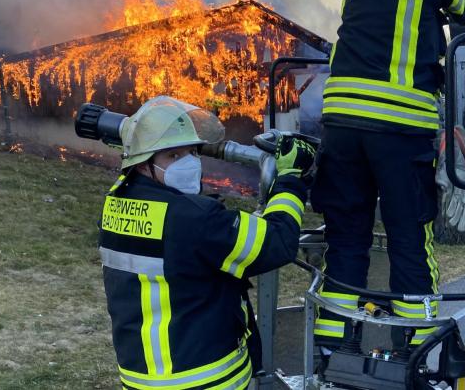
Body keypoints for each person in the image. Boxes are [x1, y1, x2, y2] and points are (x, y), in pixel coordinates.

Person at [311, 0, 465, 356]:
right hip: (400, 123)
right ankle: (416, 351)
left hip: (341, 121)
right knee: (410, 238)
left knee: (347, 239)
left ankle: (331, 351)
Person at [98, 96, 314, 389]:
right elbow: (277, 241)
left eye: (192, 152)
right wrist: (290, 179)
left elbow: (181, 247)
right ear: (142, 164)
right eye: (173, 156)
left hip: (141, 376)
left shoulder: (116, 201)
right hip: (205, 377)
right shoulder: (194, 219)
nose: (188, 164)